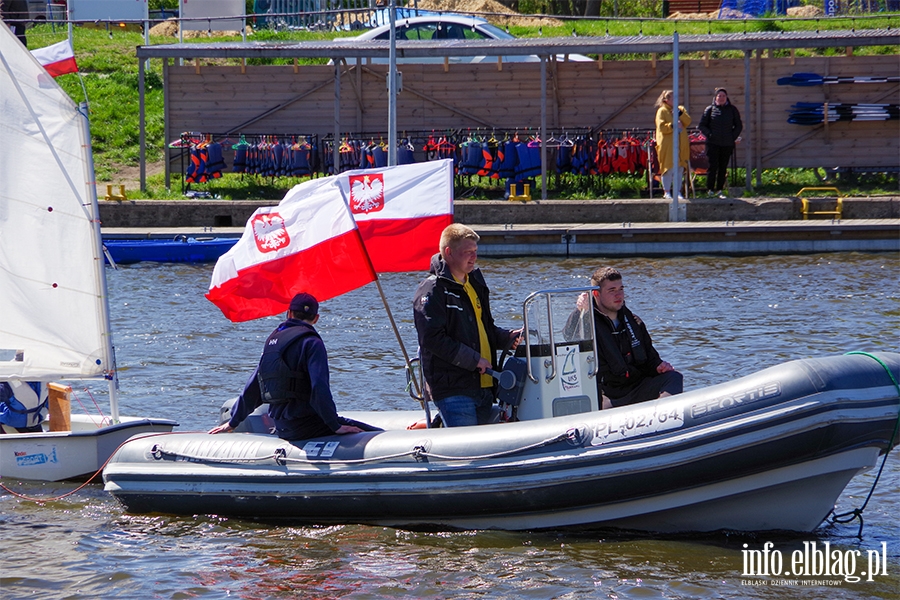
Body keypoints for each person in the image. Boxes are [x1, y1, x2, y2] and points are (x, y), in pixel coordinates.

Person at [210, 292, 378, 440]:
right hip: (307, 426)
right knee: (373, 433)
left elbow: (253, 387)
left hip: (283, 427)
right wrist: (335, 426)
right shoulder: (312, 342)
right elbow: (319, 387)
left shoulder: (272, 343)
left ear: (288, 314)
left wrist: (233, 422)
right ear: (316, 318)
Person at [413, 224, 521, 427]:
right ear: (449, 252)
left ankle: (438, 426)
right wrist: (474, 360)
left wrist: (507, 337)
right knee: (466, 452)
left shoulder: (474, 284)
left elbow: (484, 329)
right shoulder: (432, 289)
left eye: (475, 252)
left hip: (484, 385)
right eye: (467, 252)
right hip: (454, 389)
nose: (473, 257)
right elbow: (432, 339)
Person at [563, 267, 682, 409]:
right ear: (596, 293)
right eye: (612, 290)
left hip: (635, 386)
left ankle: (662, 417)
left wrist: (659, 366)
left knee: (674, 377)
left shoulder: (634, 321)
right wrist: (580, 311)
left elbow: (650, 358)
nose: (618, 295)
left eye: (621, 289)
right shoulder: (586, 321)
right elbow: (569, 336)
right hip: (607, 394)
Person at [698, 88, 743, 199]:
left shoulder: (732, 110)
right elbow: (702, 125)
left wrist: (732, 137)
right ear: (715, 98)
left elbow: (739, 126)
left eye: (723, 96)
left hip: (727, 144)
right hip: (713, 143)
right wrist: (710, 135)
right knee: (713, 166)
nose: (721, 98)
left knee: (723, 167)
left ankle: (719, 190)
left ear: (726, 97)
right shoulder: (710, 109)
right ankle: (710, 189)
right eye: (719, 96)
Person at [654, 89, 691, 201]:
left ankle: (678, 191)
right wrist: (673, 125)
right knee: (668, 168)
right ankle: (667, 192)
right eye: (673, 98)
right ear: (666, 100)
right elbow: (662, 127)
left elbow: (688, 121)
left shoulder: (681, 109)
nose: (677, 100)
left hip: (681, 143)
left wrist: (680, 115)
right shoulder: (662, 111)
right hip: (667, 144)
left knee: (679, 168)